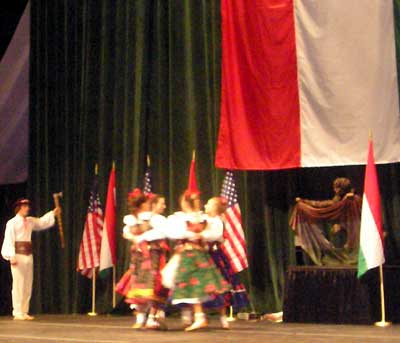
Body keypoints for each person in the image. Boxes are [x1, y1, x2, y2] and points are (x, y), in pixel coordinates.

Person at [164, 191, 230, 332]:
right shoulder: (184, 218)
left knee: (192, 283)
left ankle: (198, 317)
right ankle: (190, 316)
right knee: (190, 283)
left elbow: (214, 235)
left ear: (184, 203)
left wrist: (197, 235)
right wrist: (195, 234)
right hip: (192, 253)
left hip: (193, 255)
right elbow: (172, 233)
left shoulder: (203, 219)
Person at [116, 189, 169, 329]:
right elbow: (126, 232)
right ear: (142, 204)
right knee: (138, 284)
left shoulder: (156, 219)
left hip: (153, 255)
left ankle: (152, 318)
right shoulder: (132, 219)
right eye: (147, 202)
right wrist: (135, 238)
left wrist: (141, 237)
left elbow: (161, 232)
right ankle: (140, 318)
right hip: (139, 256)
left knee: (154, 285)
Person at [1, 198, 59, 320]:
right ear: (20, 208)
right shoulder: (12, 223)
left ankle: (24, 310)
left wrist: (53, 213)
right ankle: (17, 311)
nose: (28, 208)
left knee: (27, 283)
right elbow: (9, 239)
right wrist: (11, 256)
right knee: (19, 284)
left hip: (28, 255)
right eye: (25, 206)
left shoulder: (30, 221)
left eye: (28, 206)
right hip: (18, 254)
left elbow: (41, 222)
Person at [203, 196, 250, 329]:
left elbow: (216, 236)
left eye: (208, 204)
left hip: (214, 257)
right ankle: (202, 316)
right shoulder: (203, 219)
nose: (205, 206)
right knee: (202, 286)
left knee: (219, 285)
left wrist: (201, 233)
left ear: (216, 209)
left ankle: (223, 318)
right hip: (203, 256)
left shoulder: (217, 221)